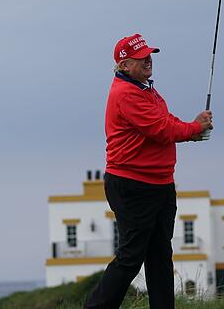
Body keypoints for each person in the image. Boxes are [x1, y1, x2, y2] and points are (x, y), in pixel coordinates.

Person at [84, 34, 213, 309]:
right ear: (125, 64)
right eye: (141, 57)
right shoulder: (126, 94)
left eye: (149, 55)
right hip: (133, 185)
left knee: (159, 256)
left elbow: (166, 120)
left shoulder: (146, 90)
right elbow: (162, 129)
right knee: (131, 257)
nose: (148, 60)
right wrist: (193, 130)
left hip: (159, 184)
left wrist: (193, 125)